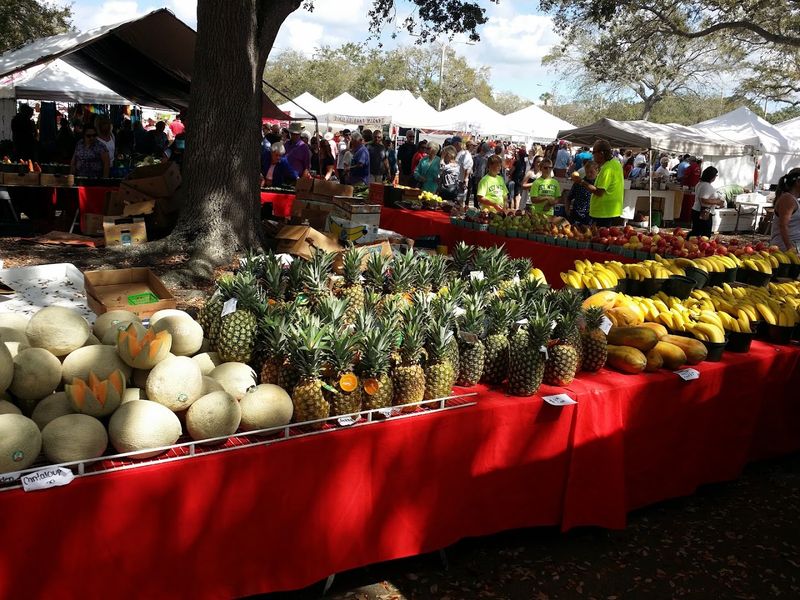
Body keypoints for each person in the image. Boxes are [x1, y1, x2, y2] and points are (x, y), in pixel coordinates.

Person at [572, 139, 624, 227]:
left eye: (594, 152)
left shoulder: (607, 168)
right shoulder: (616, 163)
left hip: (604, 213)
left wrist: (580, 181)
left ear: (601, 153)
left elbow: (599, 192)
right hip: (611, 211)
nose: (592, 155)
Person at [689, 166, 725, 238]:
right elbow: (704, 200)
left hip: (697, 210)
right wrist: (717, 202)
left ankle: (690, 243)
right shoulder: (706, 186)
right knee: (704, 234)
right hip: (703, 212)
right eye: (715, 176)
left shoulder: (700, 184)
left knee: (696, 231)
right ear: (712, 176)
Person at [769, 168, 800, 251]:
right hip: (786, 248)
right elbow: (783, 225)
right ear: (797, 182)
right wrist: (789, 247)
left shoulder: (793, 199)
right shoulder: (787, 199)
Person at [568, 160, 597, 226]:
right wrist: (567, 211)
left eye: (591, 172)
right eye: (587, 172)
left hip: (591, 217)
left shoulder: (598, 184)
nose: (589, 174)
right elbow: (569, 197)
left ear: (597, 171)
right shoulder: (579, 182)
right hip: (576, 215)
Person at [453, 136, 473, 206]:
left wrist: (465, 179)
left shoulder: (464, 154)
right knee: (459, 201)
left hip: (460, 180)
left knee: (460, 201)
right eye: (473, 146)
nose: (474, 147)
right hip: (459, 181)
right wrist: (466, 179)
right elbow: (465, 167)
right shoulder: (463, 154)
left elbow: (466, 167)